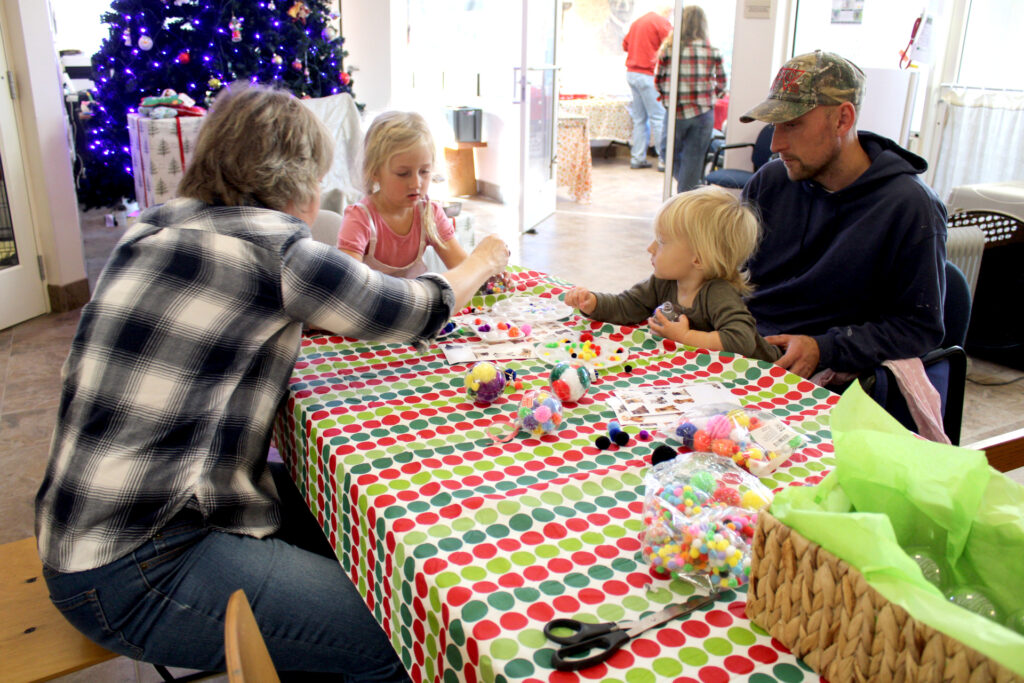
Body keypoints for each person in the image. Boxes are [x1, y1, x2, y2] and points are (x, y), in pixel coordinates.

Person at [34, 84, 509, 679]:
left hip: (88, 529)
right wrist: (483, 260)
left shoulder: (150, 228)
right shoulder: (276, 253)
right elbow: (412, 308)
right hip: (136, 566)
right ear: (297, 179)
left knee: (349, 514)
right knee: (404, 636)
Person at [738, 50, 947, 381]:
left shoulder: (909, 206)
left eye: (792, 125)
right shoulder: (770, 181)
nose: (776, 143)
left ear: (843, 119)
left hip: (819, 375)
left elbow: (917, 328)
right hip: (741, 347)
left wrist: (824, 347)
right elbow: (732, 275)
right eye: (774, 126)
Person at [565, 186, 782, 363]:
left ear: (698, 259)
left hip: (762, 375)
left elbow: (741, 341)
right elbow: (627, 306)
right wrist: (592, 302)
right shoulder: (663, 282)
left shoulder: (717, 292)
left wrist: (685, 337)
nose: (650, 248)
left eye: (661, 242)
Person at [338, 111, 467, 277]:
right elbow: (347, 282)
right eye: (403, 174)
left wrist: (490, 271)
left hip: (417, 301)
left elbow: (463, 269)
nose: (416, 183)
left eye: (424, 171)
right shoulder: (360, 219)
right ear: (375, 172)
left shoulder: (430, 214)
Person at [655, 5, 727, 192]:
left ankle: (687, 189)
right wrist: (710, 98)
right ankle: (689, 189)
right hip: (703, 113)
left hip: (676, 112)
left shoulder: (669, 50)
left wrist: (668, 100)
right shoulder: (713, 51)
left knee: (666, 151)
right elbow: (722, 83)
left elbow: (659, 81)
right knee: (694, 158)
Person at [622, 5, 672, 170]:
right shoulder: (661, 23)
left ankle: (637, 158)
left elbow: (625, 45)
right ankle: (664, 160)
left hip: (632, 74)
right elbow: (672, 46)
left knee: (639, 119)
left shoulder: (637, 22)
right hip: (647, 75)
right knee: (658, 118)